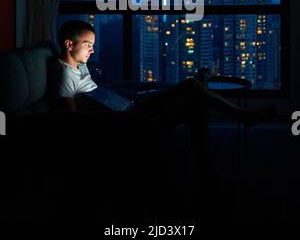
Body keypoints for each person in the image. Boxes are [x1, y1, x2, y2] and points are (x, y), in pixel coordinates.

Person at [52, 20, 277, 171]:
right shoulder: (65, 76)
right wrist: (116, 112)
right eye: (87, 44)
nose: (91, 49)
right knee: (191, 87)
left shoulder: (78, 65)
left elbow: (93, 93)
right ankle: (243, 116)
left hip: (126, 106)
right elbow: (74, 121)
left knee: (194, 105)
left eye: (92, 44)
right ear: (69, 44)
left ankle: (205, 164)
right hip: (124, 118)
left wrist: (124, 97)